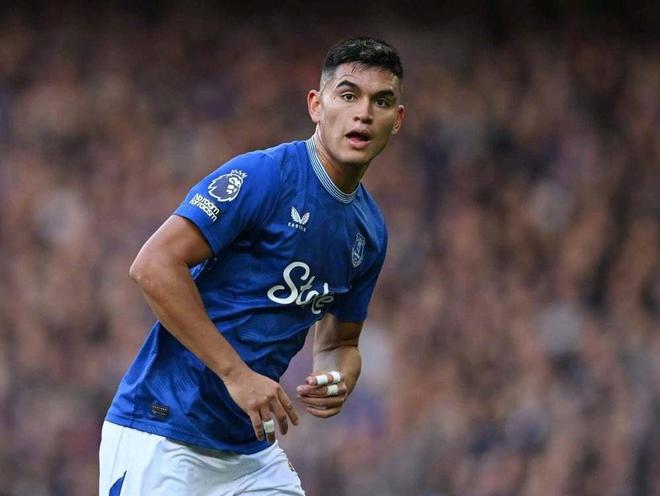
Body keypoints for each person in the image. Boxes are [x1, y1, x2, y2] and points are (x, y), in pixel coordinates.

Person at [99, 36, 405, 495]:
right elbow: (153, 265)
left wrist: (338, 376)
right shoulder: (266, 176)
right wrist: (236, 374)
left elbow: (340, 342)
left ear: (396, 120)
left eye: (380, 101)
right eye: (348, 95)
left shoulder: (370, 232)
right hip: (162, 430)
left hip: (249, 454)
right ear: (316, 105)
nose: (363, 113)